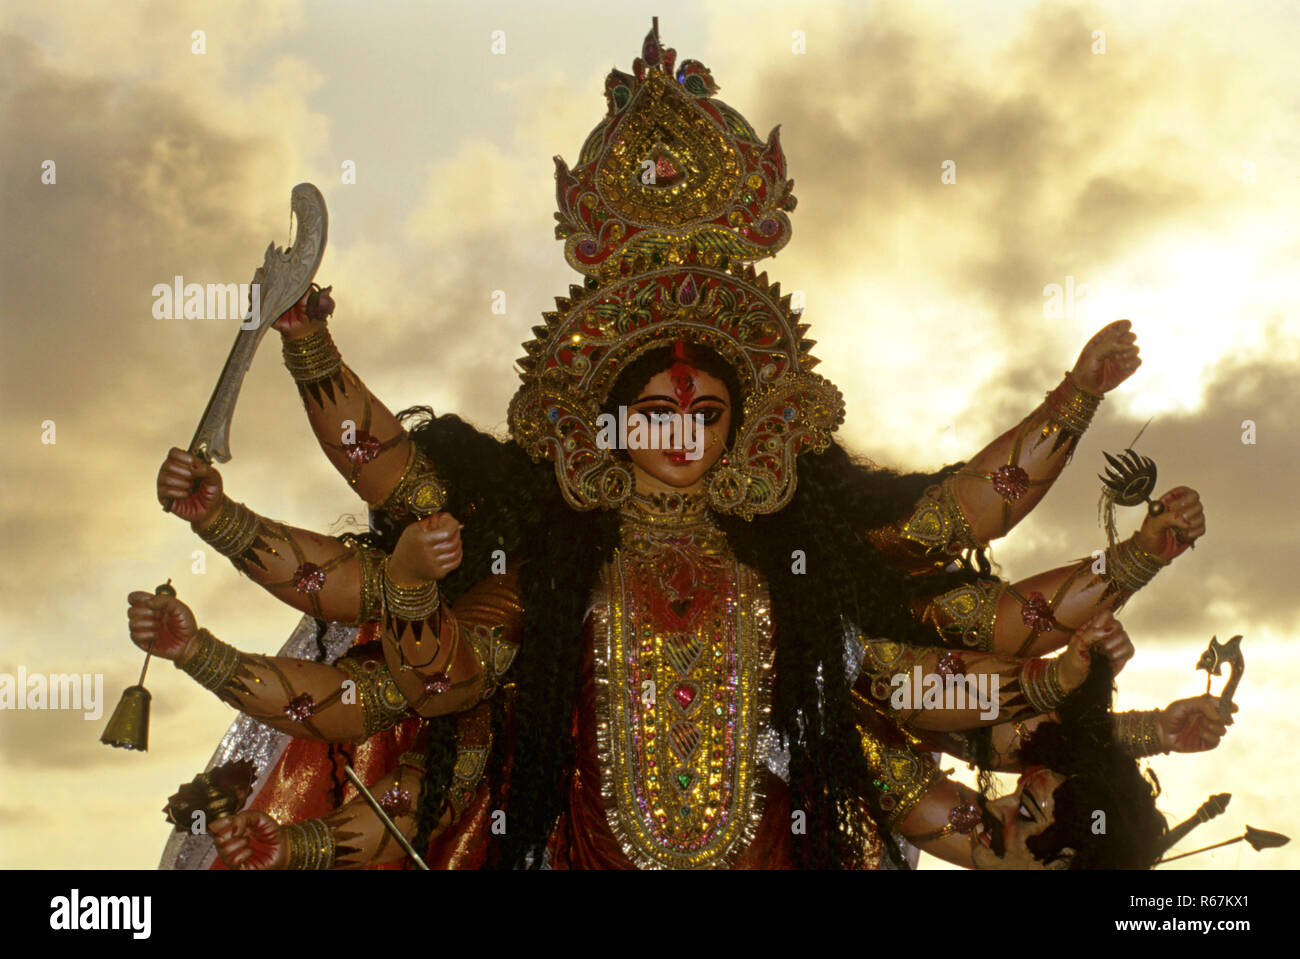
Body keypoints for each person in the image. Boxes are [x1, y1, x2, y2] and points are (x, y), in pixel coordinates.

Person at [140, 21, 1207, 870]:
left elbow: (951, 602)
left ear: (752, 425)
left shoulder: (792, 574)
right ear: (601, 422)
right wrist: (302, 399)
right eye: (655, 412)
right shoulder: (551, 572)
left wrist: (1091, 445)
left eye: (705, 415)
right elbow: (421, 684)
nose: (681, 436)